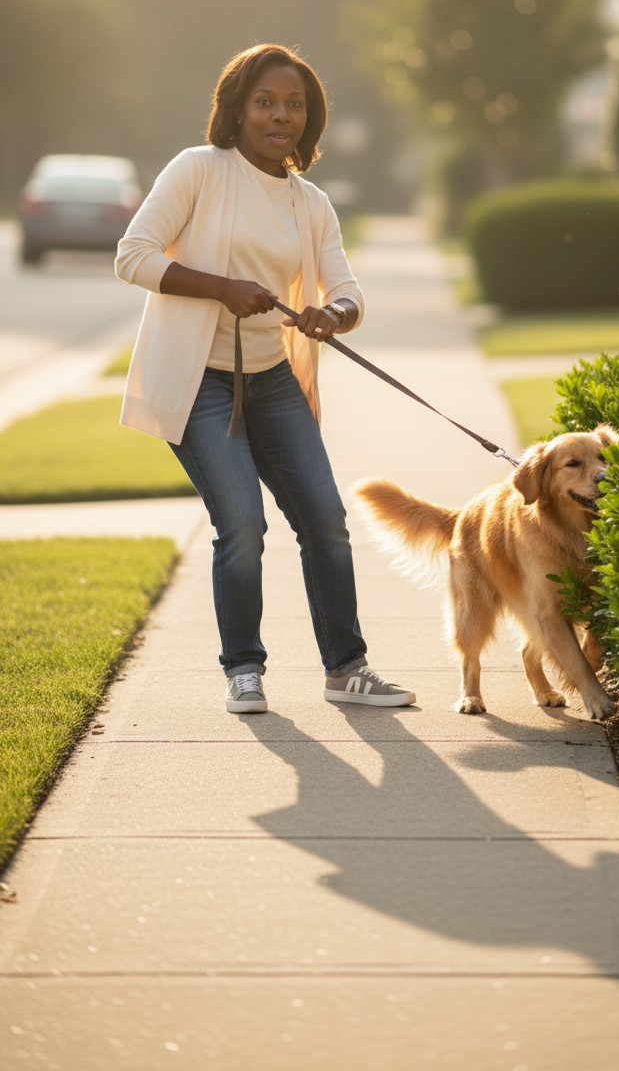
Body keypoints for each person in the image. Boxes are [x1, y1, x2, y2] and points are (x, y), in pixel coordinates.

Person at [115, 42, 415, 715]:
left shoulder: (309, 203)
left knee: (325, 519)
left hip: (273, 379)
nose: (282, 115)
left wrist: (330, 316)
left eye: (295, 105)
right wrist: (221, 287)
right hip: (198, 383)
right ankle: (243, 669)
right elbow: (131, 256)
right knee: (242, 525)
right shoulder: (199, 171)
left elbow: (346, 288)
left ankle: (347, 668)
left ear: (310, 120)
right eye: (266, 102)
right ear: (238, 109)